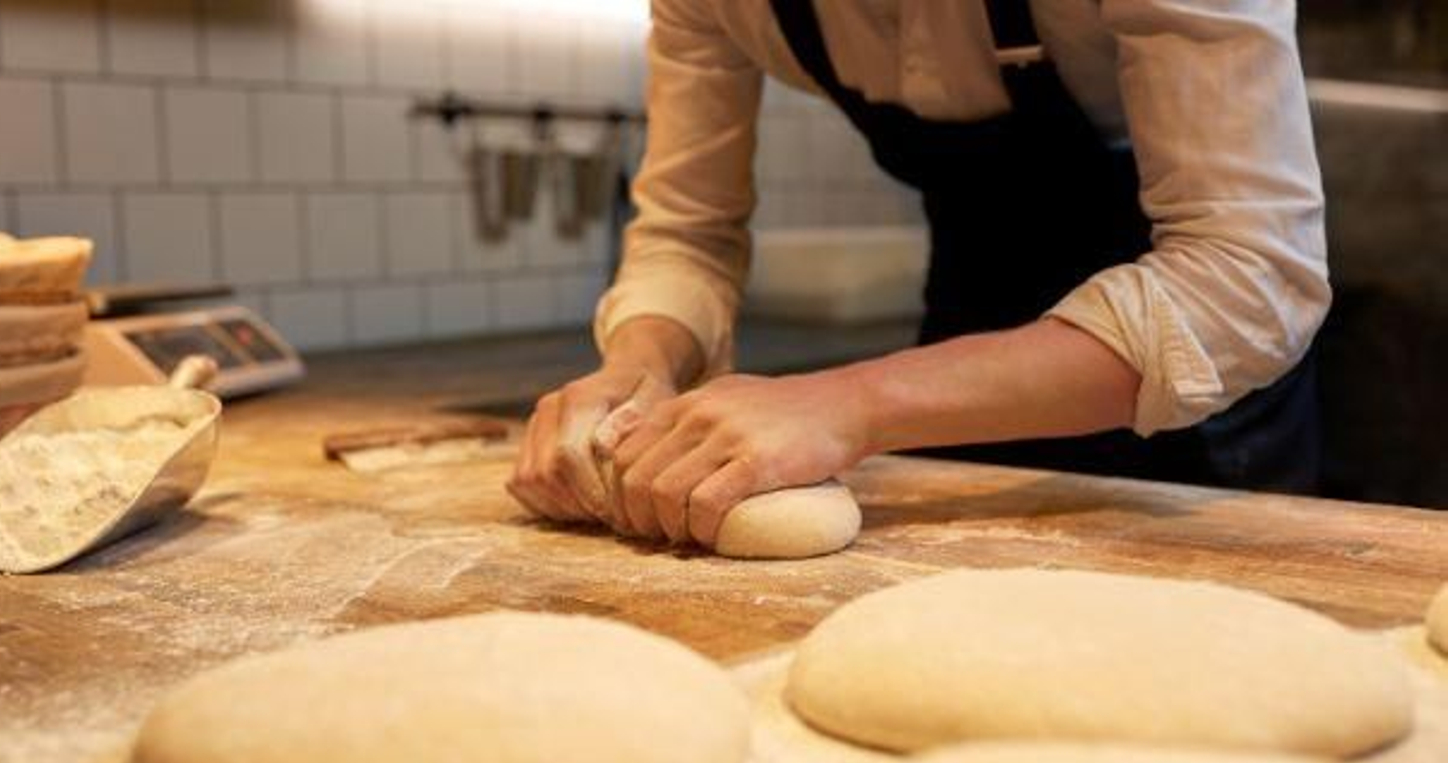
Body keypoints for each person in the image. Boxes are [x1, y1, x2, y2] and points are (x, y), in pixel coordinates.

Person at [508, 0, 1329, 549]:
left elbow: (1245, 275)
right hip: (969, 313)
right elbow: (688, 229)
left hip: (1197, 382)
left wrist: (850, 402)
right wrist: (639, 363)